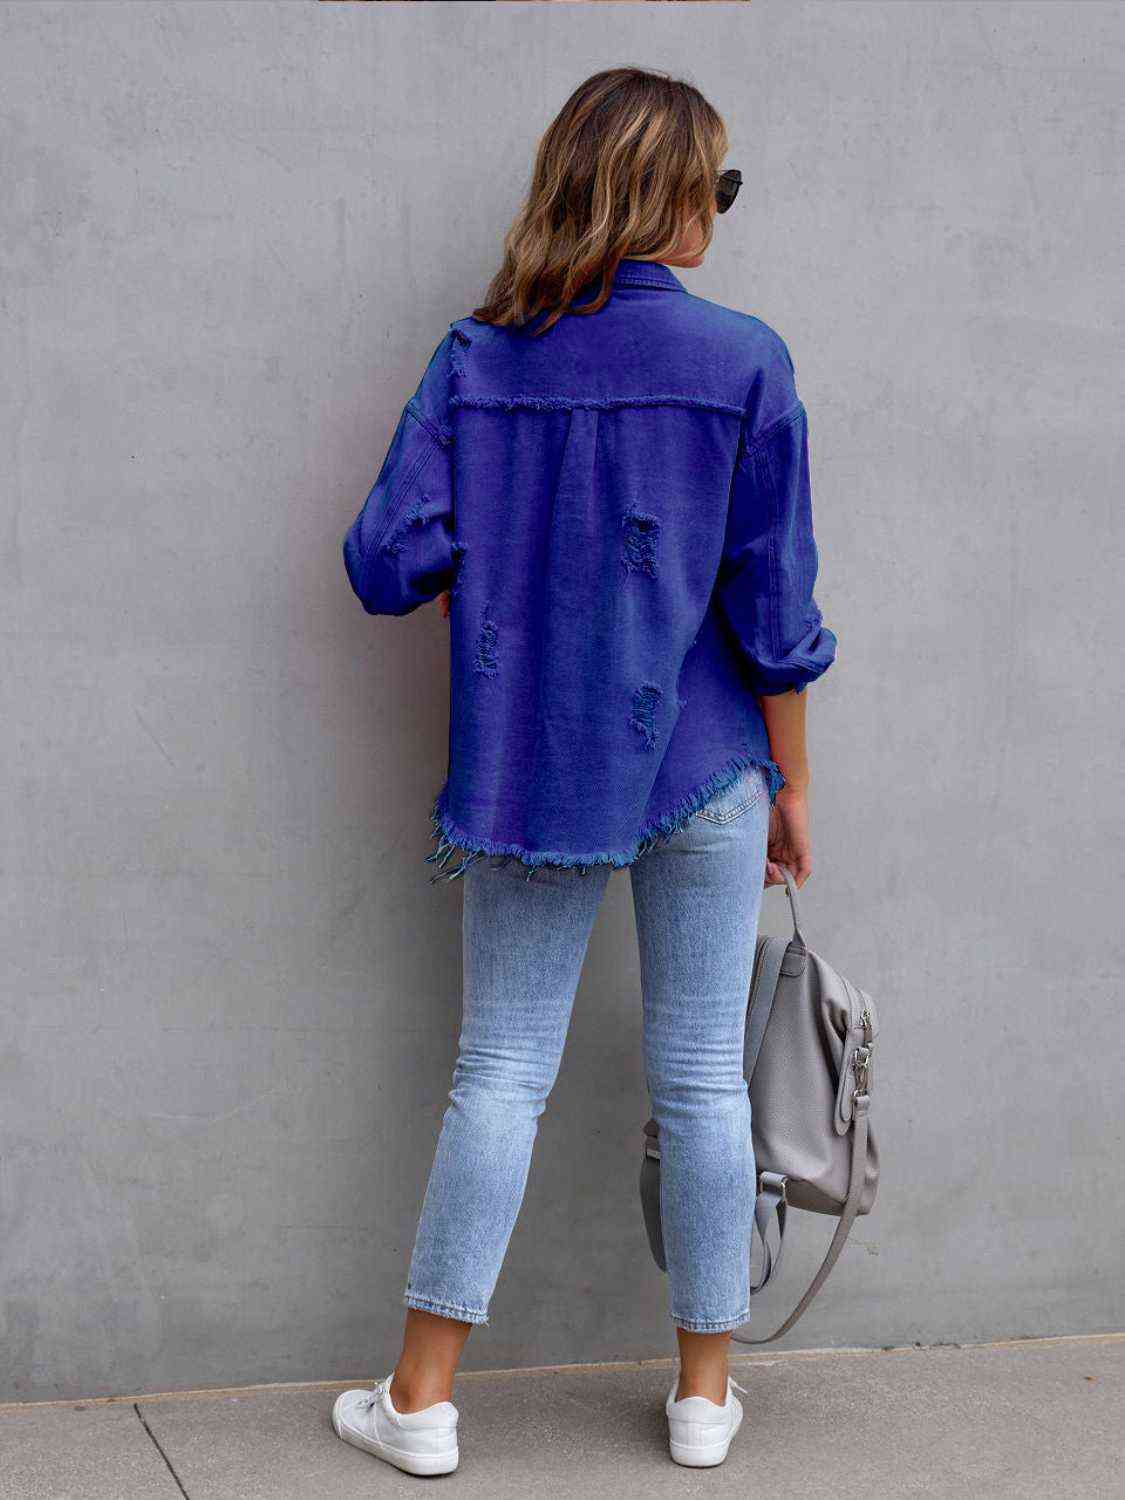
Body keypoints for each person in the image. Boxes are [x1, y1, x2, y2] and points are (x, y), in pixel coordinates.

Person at [332, 66, 836, 1476]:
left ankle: (420, 1404)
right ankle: (702, 1401)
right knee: (703, 1081)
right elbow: (775, 610)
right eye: (715, 185)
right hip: (710, 761)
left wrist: (497, 576)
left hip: (536, 767)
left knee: (500, 1071)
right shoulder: (746, 362)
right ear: (665, 195)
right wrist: (794, 784)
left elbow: (383, 558)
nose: (719, 209)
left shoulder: (481, 359)